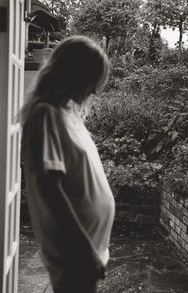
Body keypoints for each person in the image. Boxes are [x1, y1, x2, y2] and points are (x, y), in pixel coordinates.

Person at [20, 35, 115, 293]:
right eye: (91, 81)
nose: (93, 91)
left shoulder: (65, 112)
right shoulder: (45, 114)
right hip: (75, 254)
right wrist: (84, 252)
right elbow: (49, 187)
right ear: (71, 75)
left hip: (87, 250)